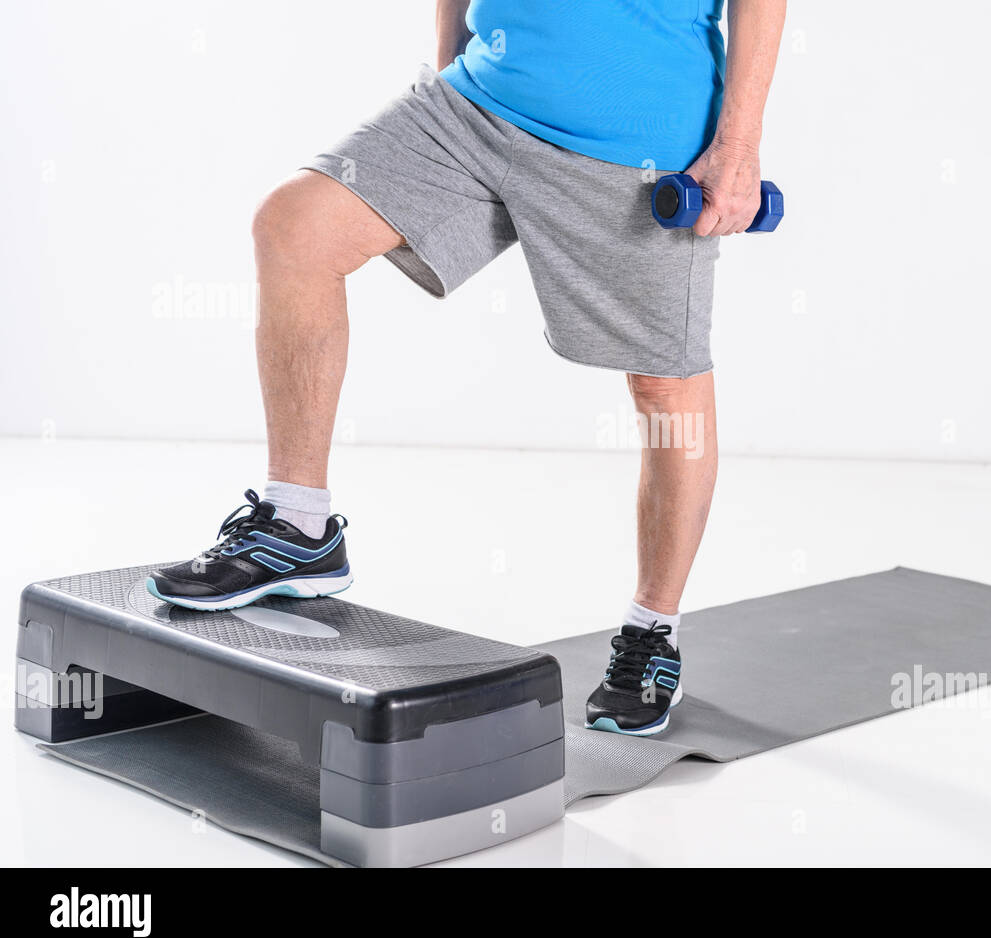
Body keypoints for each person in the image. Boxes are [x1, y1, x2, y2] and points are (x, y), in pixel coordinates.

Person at [146, 0, 786, 736]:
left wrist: (739, 143)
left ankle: (653, 633)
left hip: (636, 134)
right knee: (294, 227)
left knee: (663, 380)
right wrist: (450, 56)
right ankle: (297, 526)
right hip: (481, 102)